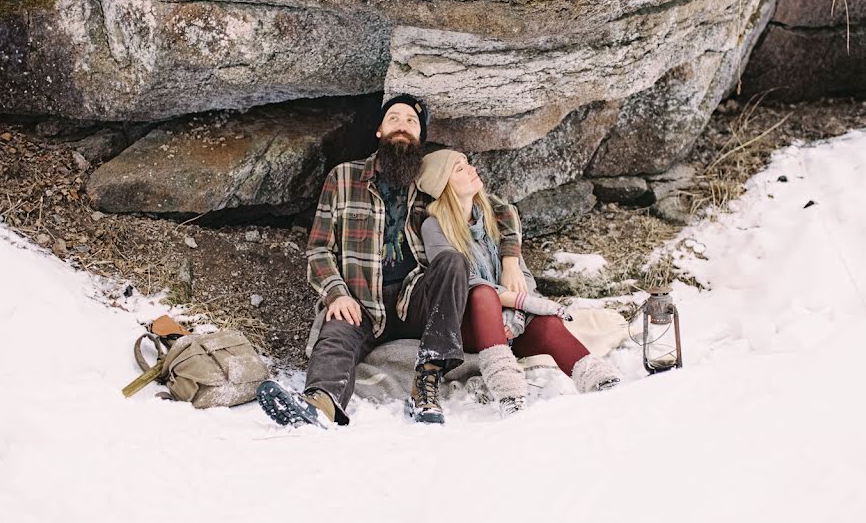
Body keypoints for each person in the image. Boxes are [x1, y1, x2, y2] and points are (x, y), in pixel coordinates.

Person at [257, 95, 526, 427]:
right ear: (380, 131)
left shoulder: (430, 181)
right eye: (394, 119)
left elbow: (499, 209)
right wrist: (336, 294)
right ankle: (319, 406)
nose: (403, 126)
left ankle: (425, 385)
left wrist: (511, 260)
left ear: (419, 138)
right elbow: (319, 249)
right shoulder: (343, 178)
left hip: (416, 298)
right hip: (361, 300)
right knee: (336, 332)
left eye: (411, 122)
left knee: (452, 262)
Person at [416, 149, 622, 418]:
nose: (471, 169)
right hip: (468, 325)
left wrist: (514, 317)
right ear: (443, 185)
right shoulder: (434, 226)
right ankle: (510, 395)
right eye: (459, 169)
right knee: (482, 294)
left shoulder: (493, 218)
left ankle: (601, 382)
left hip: (507, 325)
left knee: (548, 325)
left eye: (467, 162)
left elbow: (523, 277)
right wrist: (522, 304)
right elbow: (467, 282)